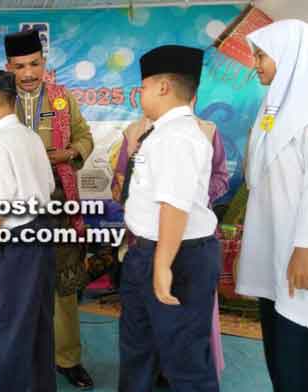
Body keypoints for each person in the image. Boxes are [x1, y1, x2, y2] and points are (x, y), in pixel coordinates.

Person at [0, 29, 95, 390]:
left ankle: (68, 358)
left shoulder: (62, 99)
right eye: (20, 66)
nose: (28, 73)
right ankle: (33, 366)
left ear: (44, 63)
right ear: (8, 68)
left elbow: (84, 137)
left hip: (55, 202)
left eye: (35, 65)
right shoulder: (1, 111)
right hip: (18, 210)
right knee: (25, 295)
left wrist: (69, 154)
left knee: (62, 284)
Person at [118, 45, 221, 392]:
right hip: (148, 253)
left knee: (185, 360)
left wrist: (163, 265)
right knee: (138, 350)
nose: (140, 94)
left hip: (177, 256)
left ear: (163, 87)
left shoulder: (178, 136)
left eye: (144, 86)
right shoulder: (160, 131)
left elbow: (174, 205)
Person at [0, 69, 56, 392]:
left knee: (2, 331)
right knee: (36, 328)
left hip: (16, 245)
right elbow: (47, 186)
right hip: (42, 236)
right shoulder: (31, 137)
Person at [236, 19, 308, 392]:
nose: (256, 64)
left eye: (262, 55)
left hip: (298, 252)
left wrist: (305, 247)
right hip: (273, 244)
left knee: (296, 344)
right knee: (277, 348)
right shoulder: (273, 107)